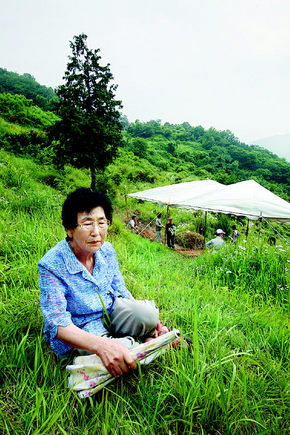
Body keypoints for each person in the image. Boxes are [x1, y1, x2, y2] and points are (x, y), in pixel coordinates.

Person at [38, 188, 170, 378]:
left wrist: (154, 323)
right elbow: (57, 324)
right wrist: (102, 346)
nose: (96, 232)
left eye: (102, 223)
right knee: (120, 351)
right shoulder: (51, 265)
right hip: (82, 326)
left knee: (148, 314)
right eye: (87, 224)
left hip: (110, 310)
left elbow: (120, 289)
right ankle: (145, 344)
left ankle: (150, 339)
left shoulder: (107, 250)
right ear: (69, 229)